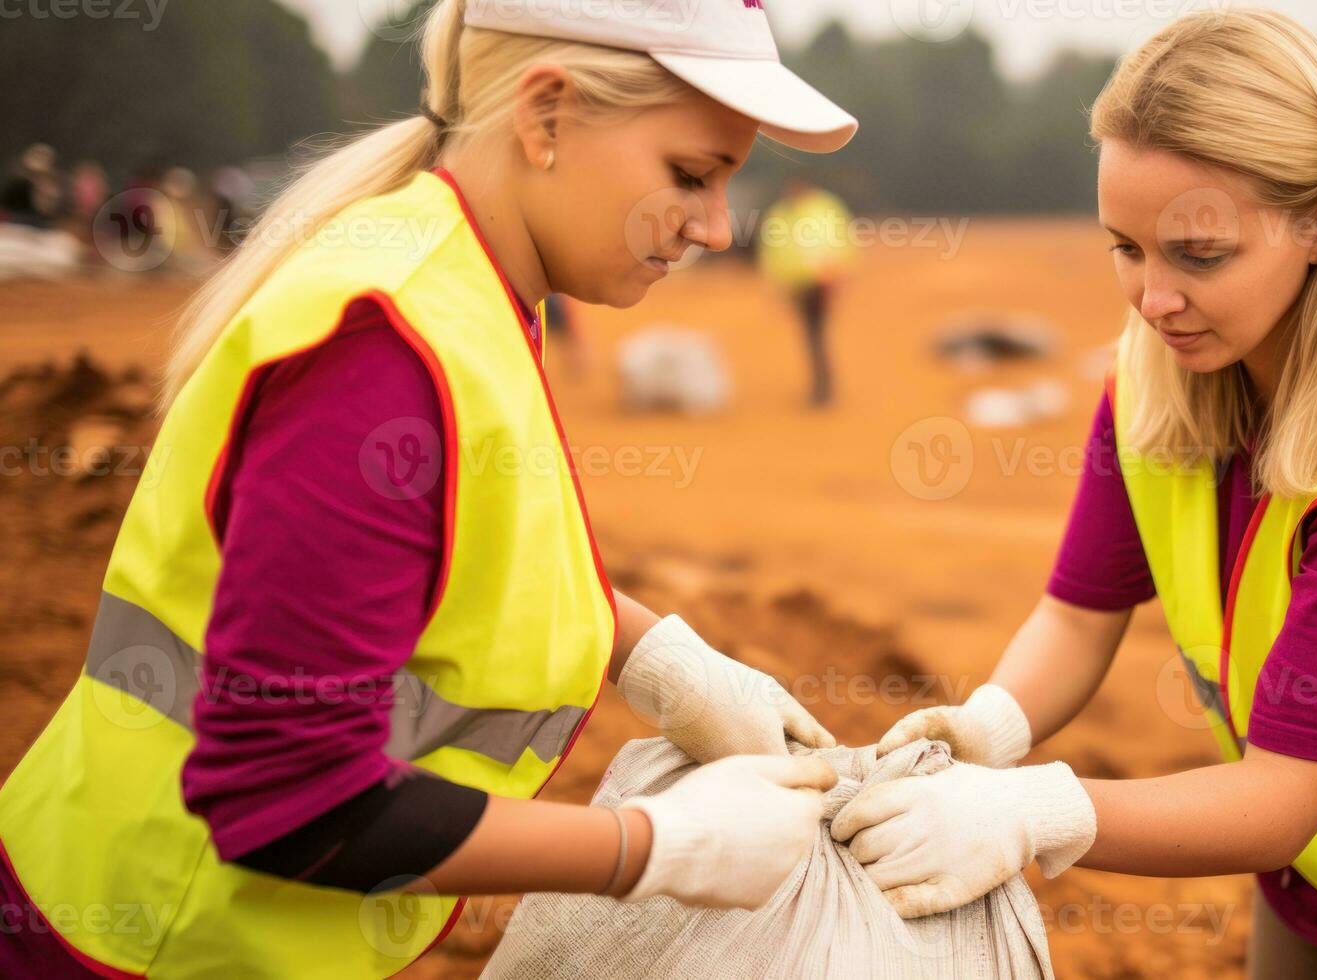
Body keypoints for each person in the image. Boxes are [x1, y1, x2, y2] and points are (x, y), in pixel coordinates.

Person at [0, 1, 856, 976]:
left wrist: (653, 652)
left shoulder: (472, 283)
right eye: (690, 176)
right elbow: (288, 798)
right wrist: (652, 847)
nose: (713, 226)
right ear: (546, 118)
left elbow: (458, 547)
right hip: (143, 942)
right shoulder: (383, 348)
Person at [833, 12, 1317, 979]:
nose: (1150, 300)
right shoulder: (1161, 366)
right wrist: (989, 730)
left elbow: (1275, 805)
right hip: (1311, 887)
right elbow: (1078, 618)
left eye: (1198, 255)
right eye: (1124, 247)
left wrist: (1023, 812)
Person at [758, 177, 854, 406]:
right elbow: (772, 252)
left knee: (815, 333)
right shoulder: (780, 214)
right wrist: (776, 284)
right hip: (795, 285)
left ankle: (823, 388)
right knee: (810, 335)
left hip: (821, 282)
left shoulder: (823, 209)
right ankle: (821, 385)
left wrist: (839, 273)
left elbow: (842, 241)